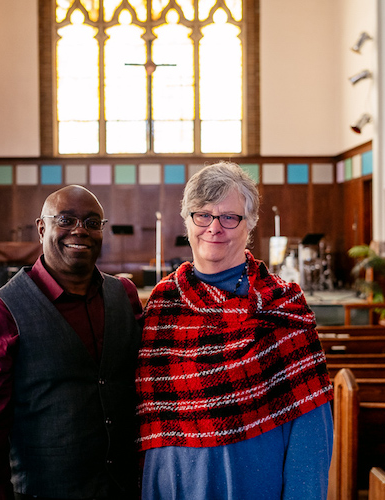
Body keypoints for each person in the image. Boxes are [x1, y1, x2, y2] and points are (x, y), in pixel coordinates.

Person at [135, 162, 334, 499]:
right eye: (203, 215)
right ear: (188, 221)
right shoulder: (162, 302)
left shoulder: (283, 306)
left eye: (229, 217)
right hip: (172, 486)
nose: (214, 228)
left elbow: (311, 429)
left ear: (249, 224)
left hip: (253, 484)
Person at [0, 185, 143, 500]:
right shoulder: (1, 313)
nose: (80, 231)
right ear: (42, 227)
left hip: (126, 489)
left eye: (92, 223)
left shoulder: (124, 296)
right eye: (66, 220)